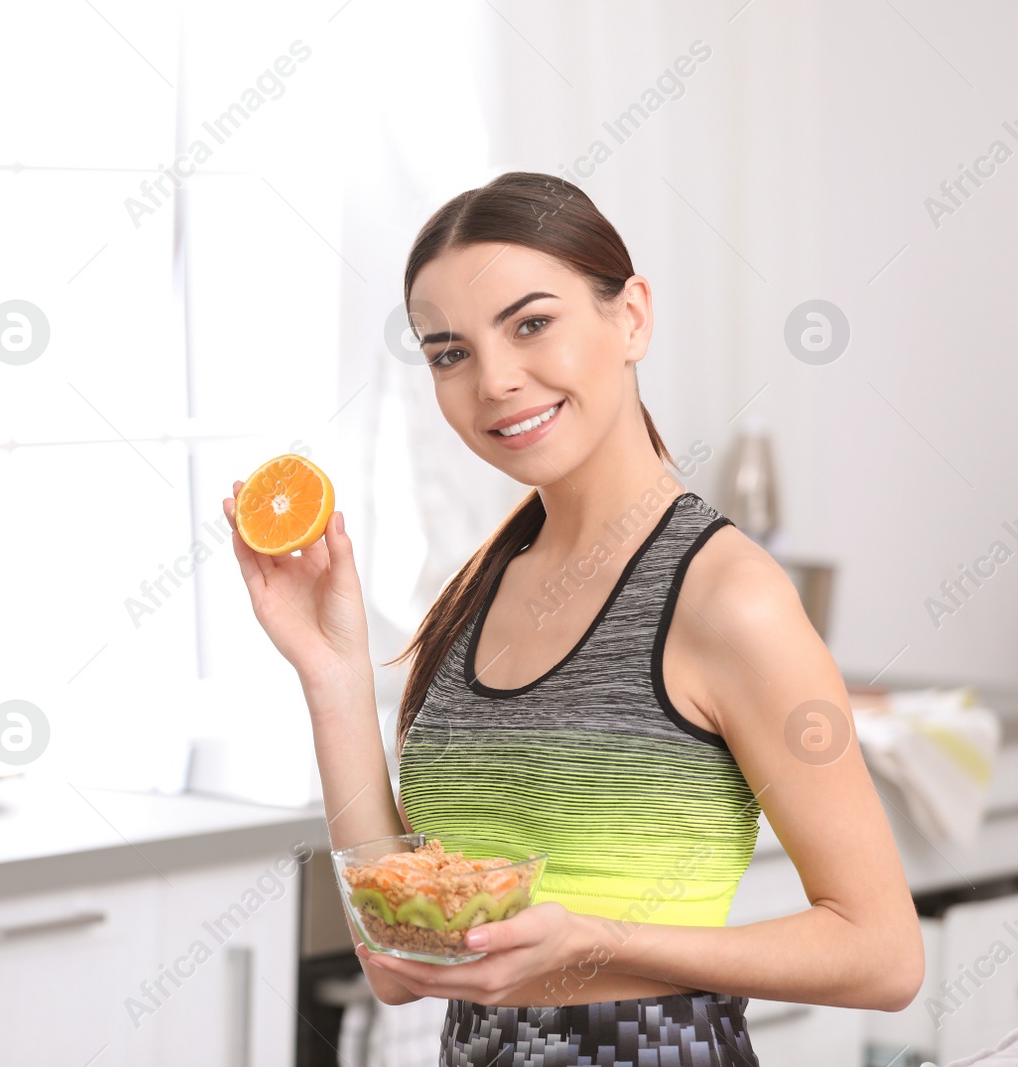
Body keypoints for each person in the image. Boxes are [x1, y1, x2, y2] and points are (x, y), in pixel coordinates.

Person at [223, 172, 924, 1064]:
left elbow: (884, 953)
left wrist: (598, 943)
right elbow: (401, 966)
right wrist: (331, 674)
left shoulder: (726, 598)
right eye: (450, 353)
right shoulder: (480, 591)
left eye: (531, 323)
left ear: (630, 316)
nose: (497, 380)